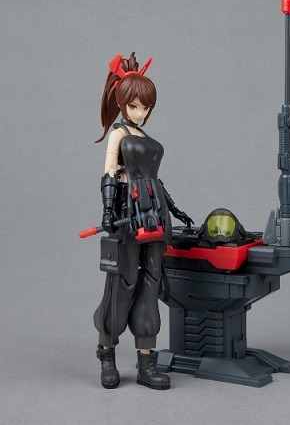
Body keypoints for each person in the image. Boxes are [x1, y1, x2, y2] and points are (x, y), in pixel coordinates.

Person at [92, 52, 192, 390]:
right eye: (135, 106)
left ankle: (146, 362)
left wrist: (173, 209)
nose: (141, 112)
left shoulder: (145, 137)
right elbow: (110, 173)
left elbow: (155, 179)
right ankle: (107, 354)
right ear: (123, 103)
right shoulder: (119, 133)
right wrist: (108, 210)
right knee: (123, 281)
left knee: (151, 281)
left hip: (155, 212)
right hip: (128, 212)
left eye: (146, 107)